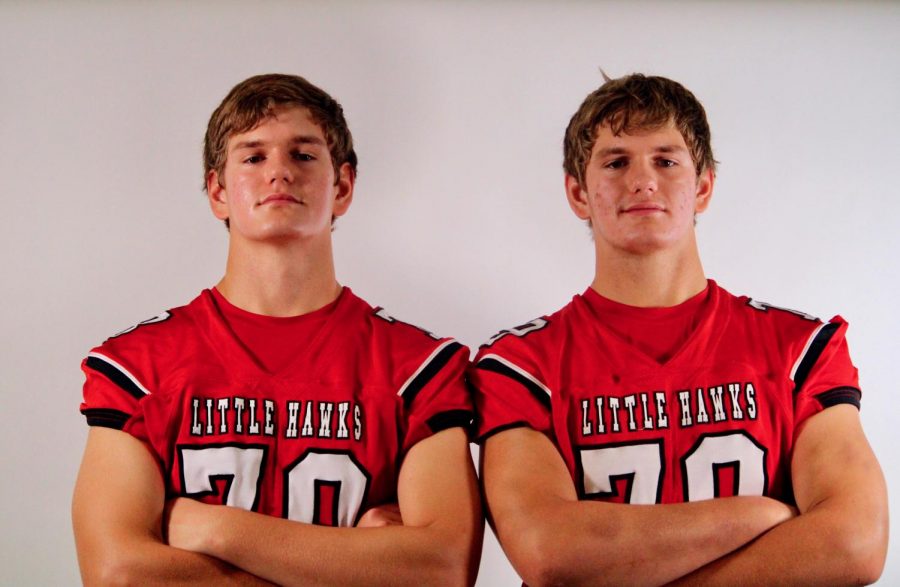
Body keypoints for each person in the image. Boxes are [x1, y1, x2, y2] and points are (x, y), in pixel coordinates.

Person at [469, 73, 888, 586]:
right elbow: (549, 551)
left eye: (666, 161)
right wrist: (763, 515)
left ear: (703, 186)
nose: (643, 180)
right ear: (578, 193)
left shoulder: (799, 347)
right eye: (617, 162)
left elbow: (855, 542)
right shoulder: (519, 365)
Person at [72, 73, 482, 586]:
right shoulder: (138, 364)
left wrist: (215, 528)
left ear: (344, 187)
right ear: (218, 191)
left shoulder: (419, 367)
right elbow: (118, 574)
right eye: (253, 156)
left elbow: (441, 570)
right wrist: (360, 562)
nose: (279, 173)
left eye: (304, 155)